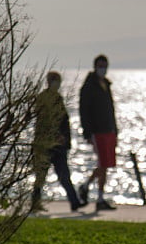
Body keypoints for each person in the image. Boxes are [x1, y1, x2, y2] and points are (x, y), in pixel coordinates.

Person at [31, 71, 82, 212]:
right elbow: (46, 121)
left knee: (62, 175)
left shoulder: (56, 98)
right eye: (54, 80)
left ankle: (74, 201)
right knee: (43, 175)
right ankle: (36, 204)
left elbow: (61, 121)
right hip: (47, 143)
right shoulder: (45, 98)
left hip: (55, 143)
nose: (57, 83)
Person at [78, 54, 118, 211]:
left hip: (109, 130)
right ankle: (98, 197)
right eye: (100, 66)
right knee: (102, 163)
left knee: (105, 165)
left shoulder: (106, 85)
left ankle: (88, 187)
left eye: (105, 66)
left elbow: (111, 109)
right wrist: (87, 133)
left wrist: (115, 130)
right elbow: (84, 111)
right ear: (95, 67)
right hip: (97, 132)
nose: (103, 69)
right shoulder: (89, 86)